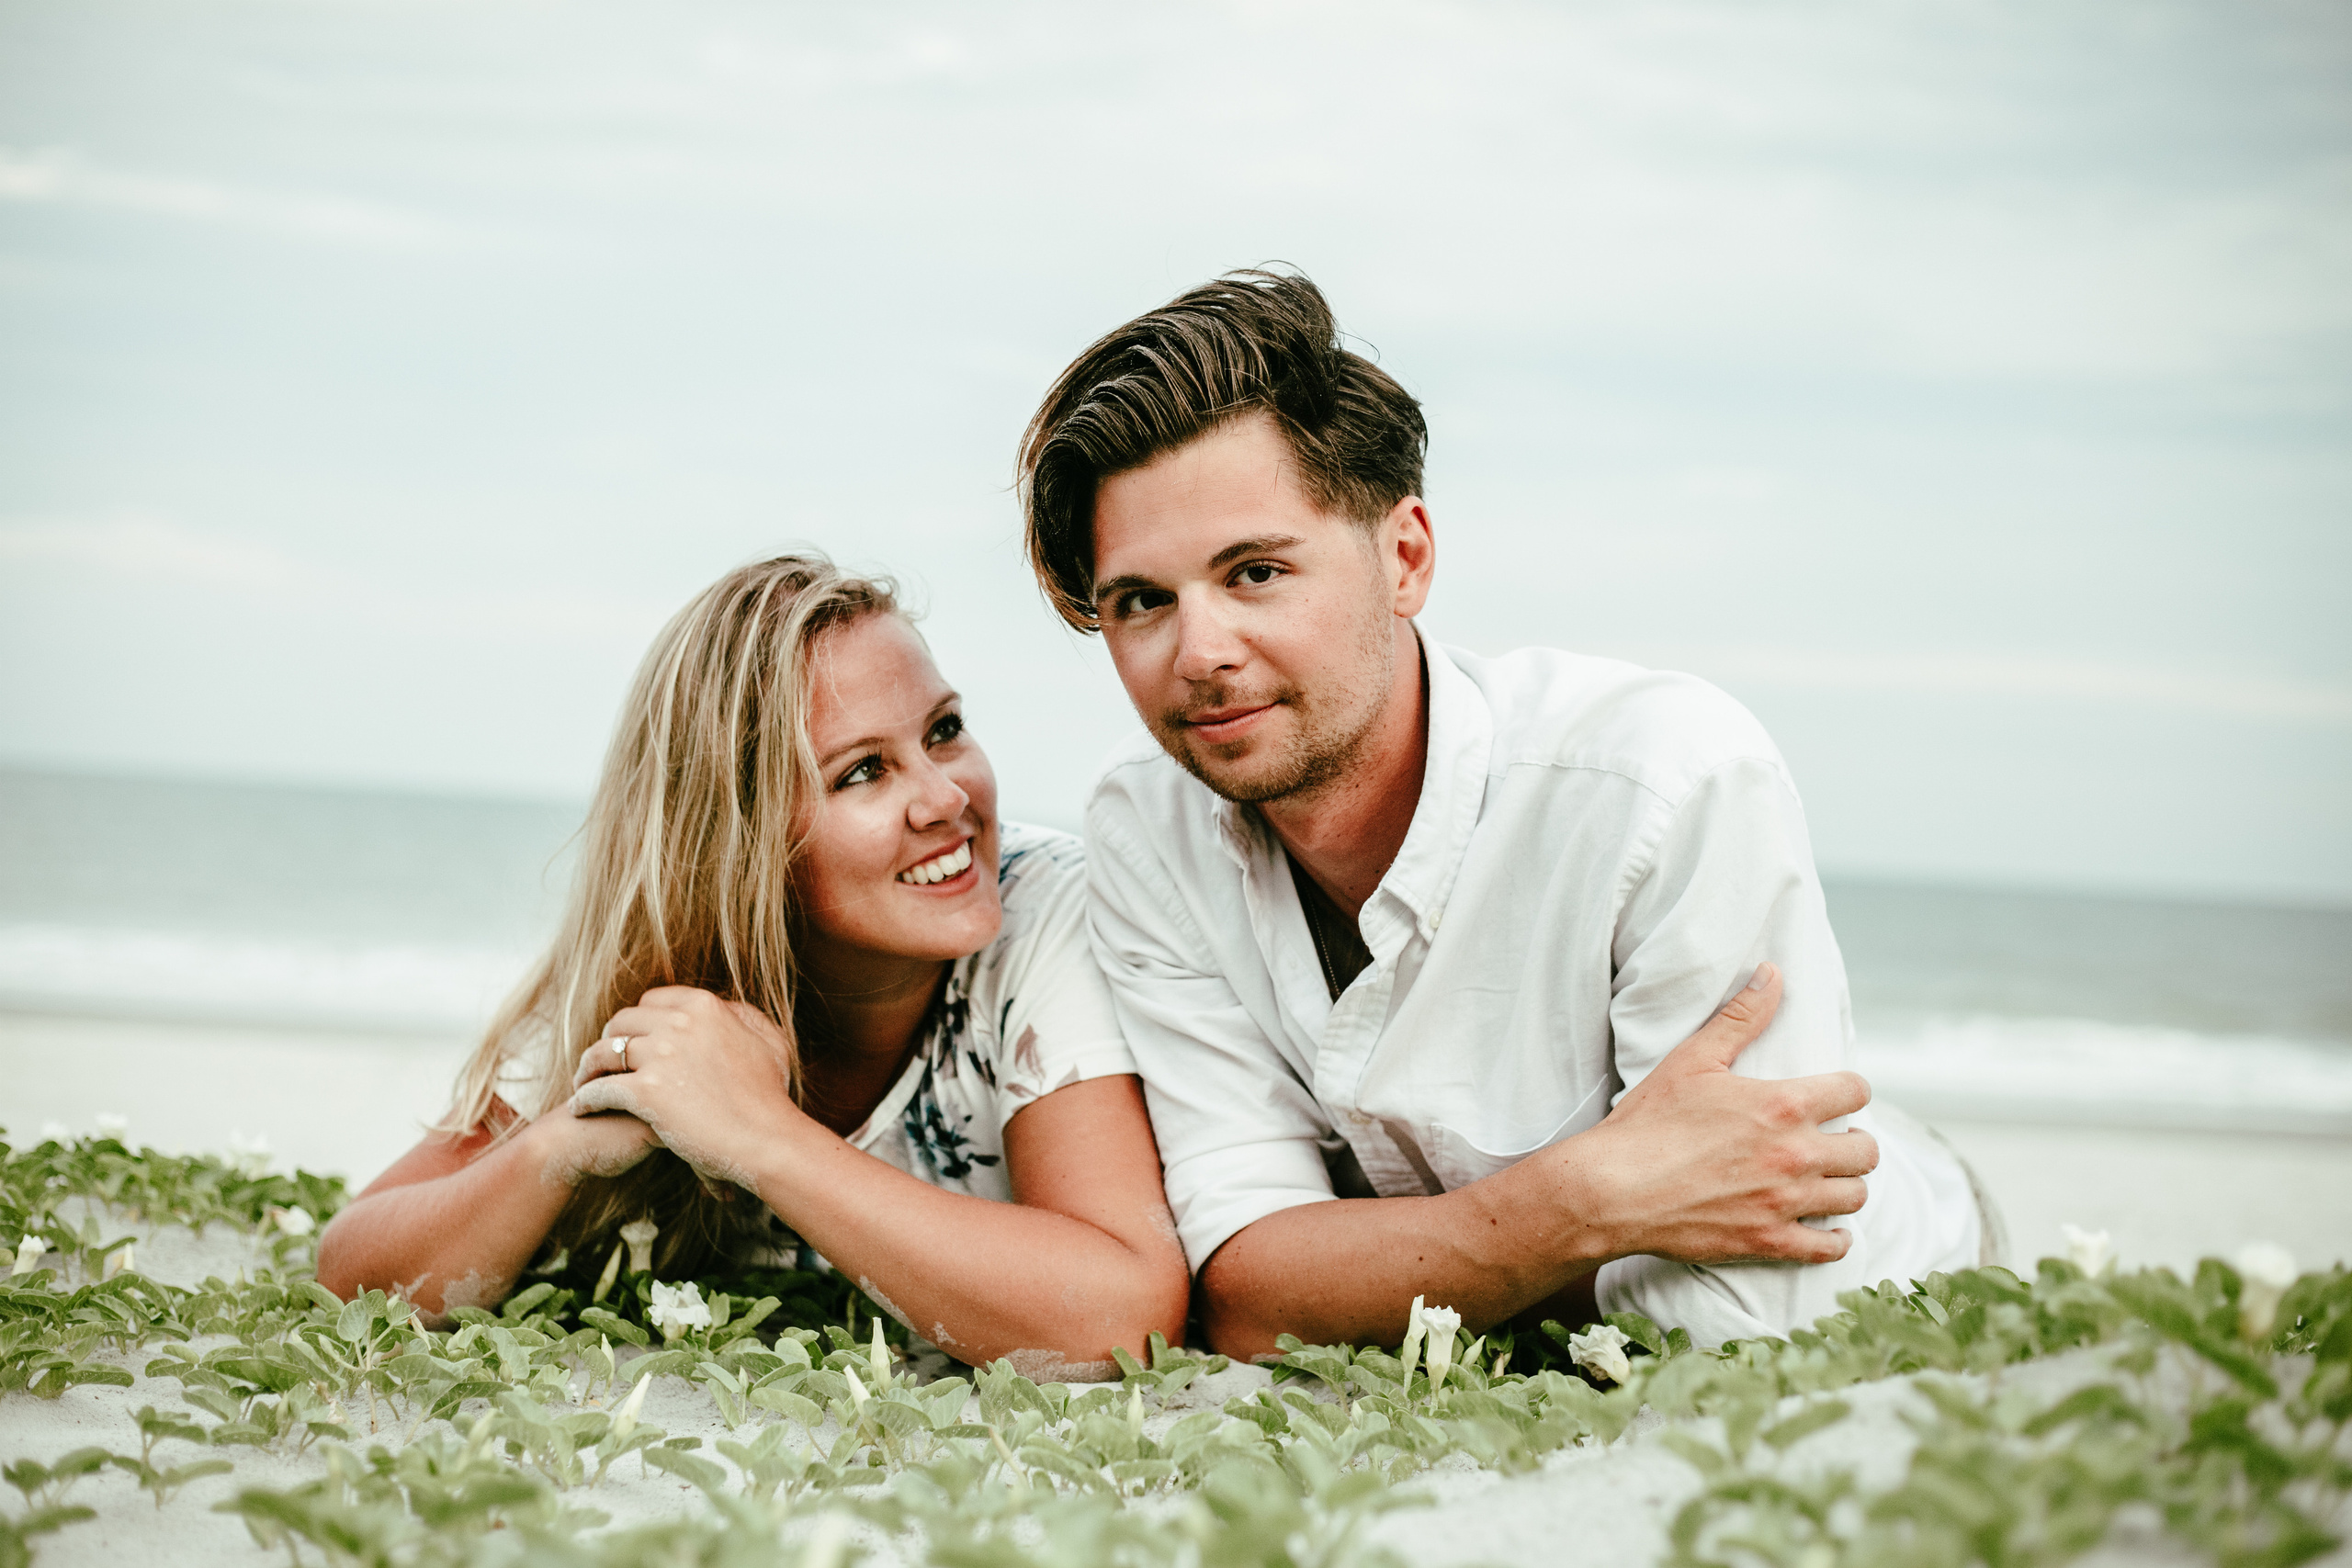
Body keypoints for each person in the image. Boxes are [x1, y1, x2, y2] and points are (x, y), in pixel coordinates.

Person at [1019, 269, 1990, 1359]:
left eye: (1254, 572)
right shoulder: (1146, 821)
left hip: (1919, 1266)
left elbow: (1735, 1319)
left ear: (1404, 558)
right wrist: (1587, 1201)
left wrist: (1373, 1269)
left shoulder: (1664, 783)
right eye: (1141, 600)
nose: (1199, 653)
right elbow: (1246, 1293)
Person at [316, 557, 1189, 1372]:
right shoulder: (657, 971)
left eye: (945, 730)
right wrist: (563, 1145)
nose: (946, 796)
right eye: (864, 772)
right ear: (741, 842)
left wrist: (761, 1136)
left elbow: (1121, 1320)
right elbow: (351, 1274)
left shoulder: (1044, 907)